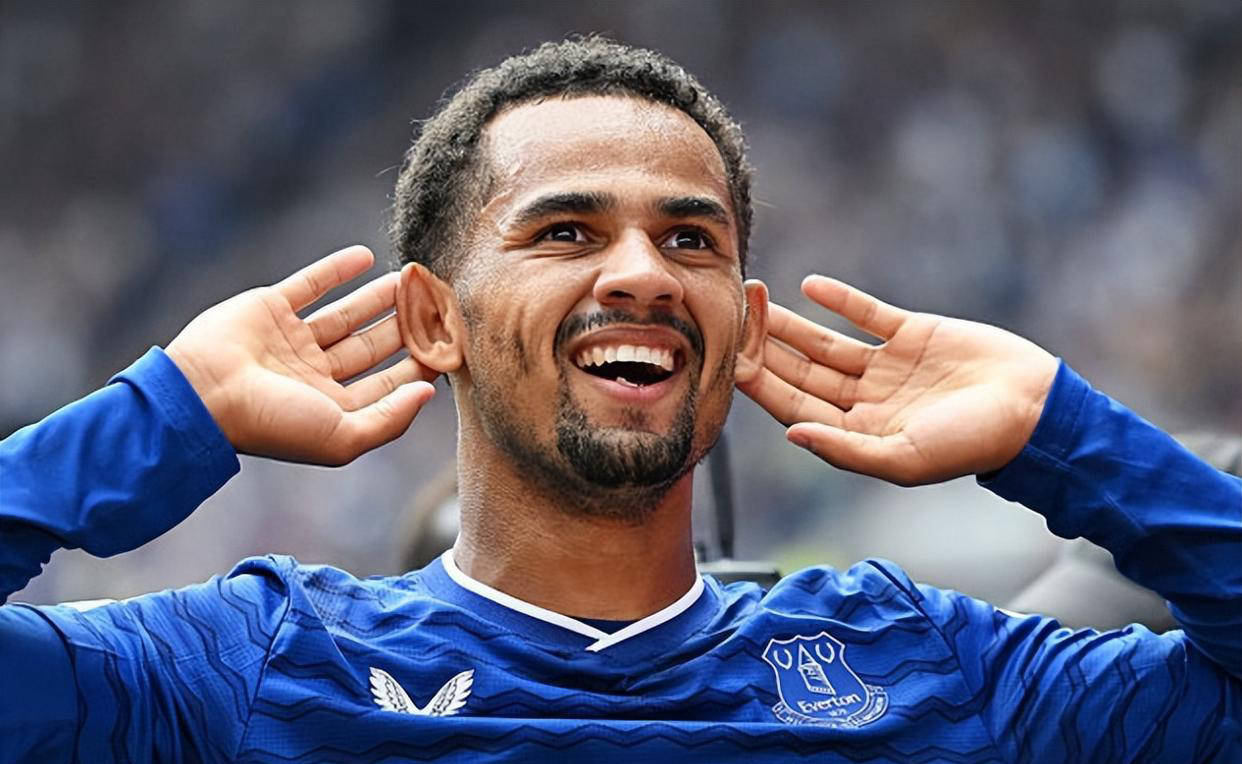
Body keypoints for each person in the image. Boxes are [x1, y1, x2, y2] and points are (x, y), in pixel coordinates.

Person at [1, 37, 1238, 763]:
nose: (644, 272)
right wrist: (163, 415)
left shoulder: (922, 662)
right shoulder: (256, 665)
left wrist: (1061, 431)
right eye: (566, 230)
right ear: (433, 318)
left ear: (742, 324)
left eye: (692, 239)